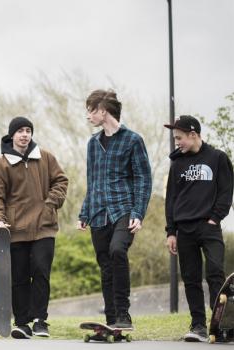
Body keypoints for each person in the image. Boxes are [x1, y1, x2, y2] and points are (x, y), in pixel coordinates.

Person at [0, 116, 68, 339]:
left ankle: (41, 320)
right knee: (19, 277)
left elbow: (61, 181)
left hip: (44, 226)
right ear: (12, 135)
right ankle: (22, 322)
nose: (24, 134)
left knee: (41, 271)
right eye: (20, 131)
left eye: (28, 130)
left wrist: (51, 203)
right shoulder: (0, 165)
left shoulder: (46, 158)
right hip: (15, 229)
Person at [77, 89, 152, 329]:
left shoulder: (133, 140)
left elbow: (143, 178)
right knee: (105, 264)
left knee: (118, 251)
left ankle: (123, 314)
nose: (88, 116)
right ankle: (111, 319)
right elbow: (92, 181)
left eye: (90, 111)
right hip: (98, 213)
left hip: (124, 210)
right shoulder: (93, 143)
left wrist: (138, 212)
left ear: (103, 111)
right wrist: (84, 213)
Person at [164, 115, 233, 342]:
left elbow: (225, 191)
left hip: (209, 227)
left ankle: (221, 325)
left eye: (179, 138)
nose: (177, 142)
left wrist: (215, 218)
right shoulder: (177, 163)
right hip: (184, 229)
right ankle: (198, 326)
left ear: (193, 135)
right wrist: (171, 231)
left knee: (215, 273)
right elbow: (171, 199)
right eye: (175, 139)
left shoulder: (218, 158)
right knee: (191, 278)